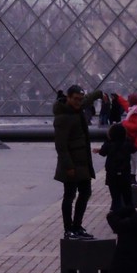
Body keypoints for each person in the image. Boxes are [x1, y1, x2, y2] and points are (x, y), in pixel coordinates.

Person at [53, 87, 98, 239]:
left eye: (81, 99)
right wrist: (69, 166)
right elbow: (61, 145)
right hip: (72, 164)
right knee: (69, 196)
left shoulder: (76, 109)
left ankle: (77, 226)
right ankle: (68, 229)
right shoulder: (63, 117)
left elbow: (87, 100)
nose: (80, 101)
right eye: (76, 99)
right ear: (68, 98)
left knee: (85, 193)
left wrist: (99, 94)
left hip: (82, 162)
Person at [101, 123, 137, 215]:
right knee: (128, 197)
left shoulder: (109, 144)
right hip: (125, 174)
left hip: (112, 174)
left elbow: (102, 152)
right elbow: (134, 149)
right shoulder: (127, 144)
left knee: (116, 198)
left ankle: (117, 218)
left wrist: (107, 141)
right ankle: (131, 216)